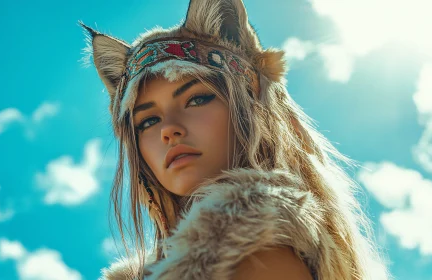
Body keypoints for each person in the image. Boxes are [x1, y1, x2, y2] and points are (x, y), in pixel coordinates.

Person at [81, 0, 388, 279]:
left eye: (197, 99)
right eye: (148, 120)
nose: (168, 130)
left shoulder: (253, 250)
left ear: (253, 104)